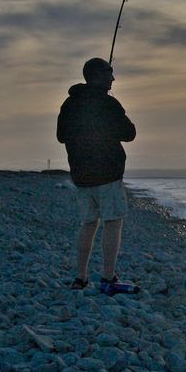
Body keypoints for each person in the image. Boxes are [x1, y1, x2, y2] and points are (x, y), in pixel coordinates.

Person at [57, 57, 140, 295]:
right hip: (108, 174)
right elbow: (130, 133)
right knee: (112, 223)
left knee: (88, 223)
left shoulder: (69, 104)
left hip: (82, 176)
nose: (113, 78)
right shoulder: (108, 104)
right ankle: (108, 277)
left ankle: (80, 278)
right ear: (97, 75)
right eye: (109, 73)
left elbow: (61, 136)